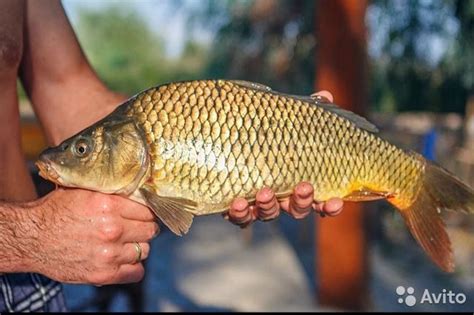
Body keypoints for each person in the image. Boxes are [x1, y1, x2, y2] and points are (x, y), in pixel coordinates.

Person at [0, 0, 344, 312]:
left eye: (81, 150)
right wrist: (29, 236)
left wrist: (274, 138)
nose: (74, 154)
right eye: (81, 150)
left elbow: (64, 85)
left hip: (33, 283)